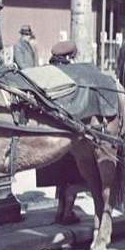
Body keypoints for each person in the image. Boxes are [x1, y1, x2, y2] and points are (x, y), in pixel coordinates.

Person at [35, 40, 85, 224]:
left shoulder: (46, 73)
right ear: (70, 57)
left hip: (48, 135)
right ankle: (68, 213)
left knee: (60, 178)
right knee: (73, 175)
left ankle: (60, 211)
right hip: (68, 133)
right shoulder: (73, 74)